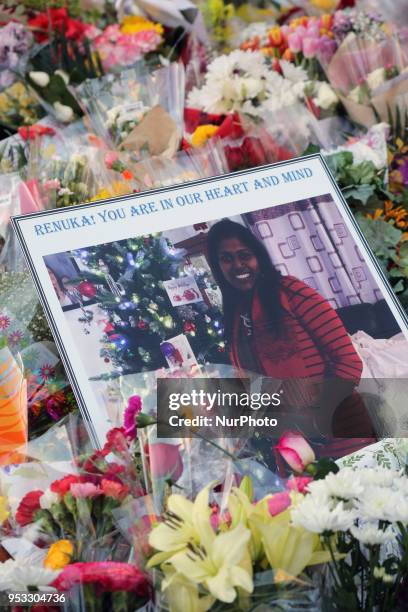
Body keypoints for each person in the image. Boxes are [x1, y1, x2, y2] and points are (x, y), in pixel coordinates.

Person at [207, 219, 377, 460]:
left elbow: (348, 360)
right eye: (226, 259)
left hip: (340, 431)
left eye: (244, 255)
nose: (237, 265)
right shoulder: (234, 317)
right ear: (217, 267)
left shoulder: (291, 292)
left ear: (259, 257)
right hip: (293, 444)